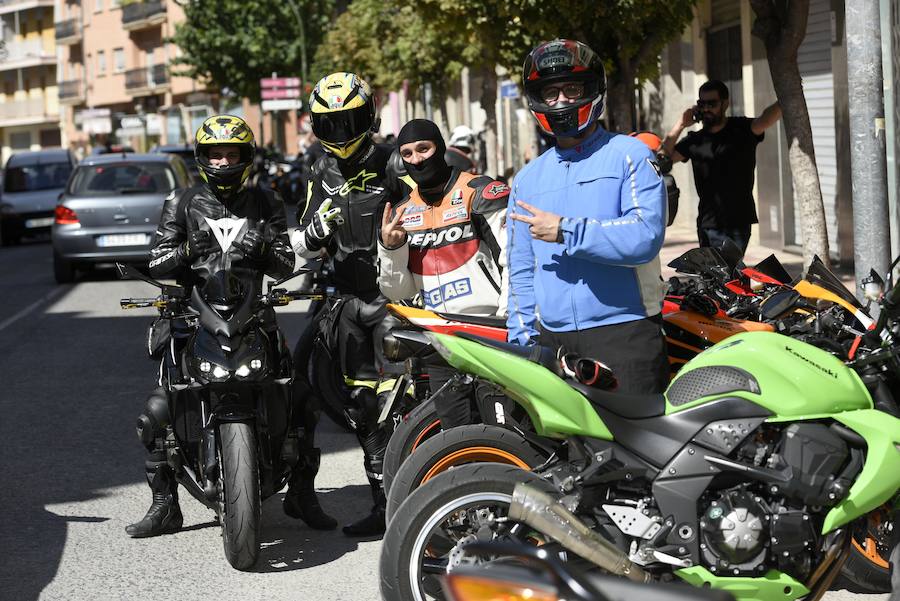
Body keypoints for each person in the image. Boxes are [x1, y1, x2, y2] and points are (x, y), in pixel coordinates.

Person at [127, 115, 337, 537]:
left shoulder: (267, 202)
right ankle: (165, 503)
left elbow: (284, 262)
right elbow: (156, 262)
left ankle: (300, 492)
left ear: (246, 157)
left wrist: (260, 245)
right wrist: (187, 249)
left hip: (254, 315)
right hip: (194, 317)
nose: (224, 161)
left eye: (232, 153)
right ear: (202, 157)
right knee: (157, 409)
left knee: (303, 400)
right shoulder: (181, 202)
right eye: (216, 153)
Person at [506, 38, 669, 395]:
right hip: (553, 340)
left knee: (635, 450)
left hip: (625, 331)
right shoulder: (527, 180)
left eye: (572, 88)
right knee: (562, 452)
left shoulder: (631, 155)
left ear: (592, 91)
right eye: (550, 92)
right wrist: (522, 338)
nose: (562, 100)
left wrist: (567, 231)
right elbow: (520, 268)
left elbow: (646, 235)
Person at [291, 72, 410, 537]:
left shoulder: (395, 163)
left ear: (369, 115)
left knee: (398, 403)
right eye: (330, 124)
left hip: (396, 300)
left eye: (349, 121)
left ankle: (404, 501)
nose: (340, 134)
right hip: (343, 302)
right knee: (299, 382)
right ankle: (303, 492)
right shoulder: (318, 171)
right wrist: (313, 237)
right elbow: (300, 240)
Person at [379, 119, 510, 427]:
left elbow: (516, 261)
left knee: (504, 430)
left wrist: (509, 321)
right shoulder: (402, 212)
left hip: (489, 333)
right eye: (407, 154)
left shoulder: (479, 191)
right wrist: (391, 249)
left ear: (440, 147)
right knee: (457, 437)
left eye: (423, 149)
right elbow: (397, 292)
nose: (417, 160)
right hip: (441, 341)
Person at [662, 79, 782, 254]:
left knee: (726, 276)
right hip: (706, 223)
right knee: (714, 278)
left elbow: (766, 119)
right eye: (702, 104)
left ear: (725, 103)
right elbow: (663, 161)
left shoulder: (742, 129)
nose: (706, 108)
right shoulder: (695, 140)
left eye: (712, 103)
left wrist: (785, 97)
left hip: (737, 222)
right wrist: (680, 124)